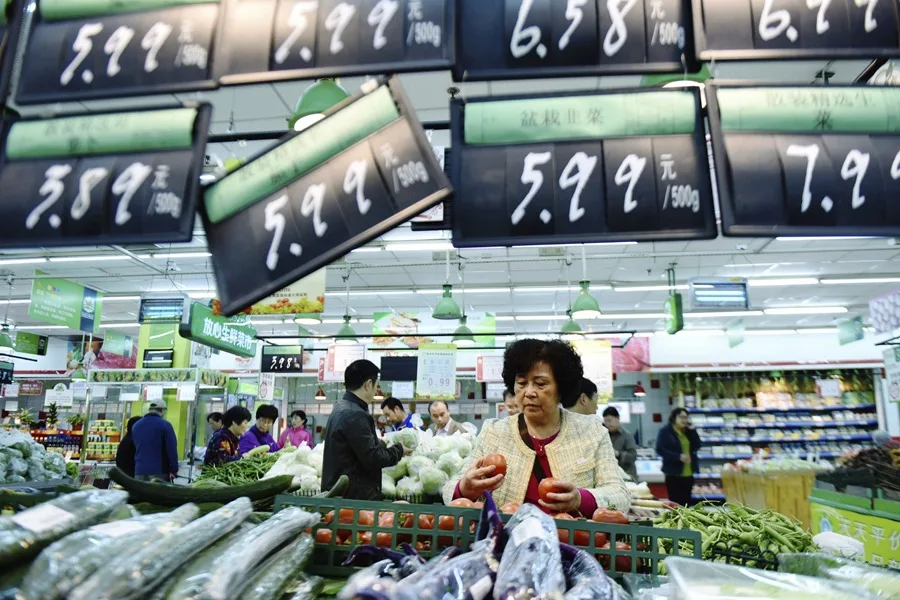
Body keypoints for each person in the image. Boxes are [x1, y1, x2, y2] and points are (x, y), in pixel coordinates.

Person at [445, 339, 630, 514]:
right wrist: (465, 488)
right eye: (522, 383)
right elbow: (449, 490)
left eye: (541, 384)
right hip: (507, 542)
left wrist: (581, 499)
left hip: (573, 542)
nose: (529, 392)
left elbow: (620, 495)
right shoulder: (495, 432)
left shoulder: (592, 431)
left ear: (561, 388)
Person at [322, 359, 410, 500]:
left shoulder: (342, 407)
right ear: (368, 384)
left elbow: (357, 449)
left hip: (344, 495)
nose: (376, 390)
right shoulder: (355, 414)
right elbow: (373, 458)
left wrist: (380, 443)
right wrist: (399, 450)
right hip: (353, 500)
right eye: (376, 386)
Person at [656, 407, 702, 506]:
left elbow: (697, 445)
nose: (684, 420)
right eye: (682, 417)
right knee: (675, 504)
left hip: (688, 473)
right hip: (673, 473)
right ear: (674, 417)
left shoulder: (688, 431)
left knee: (686, 503)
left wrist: (693, 431)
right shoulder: (665, 431)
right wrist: (678, 457)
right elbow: (660, 449)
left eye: (686, 418)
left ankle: (686, 521)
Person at [132, 401, 179, 482]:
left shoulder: (136, 425)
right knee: (157, 494)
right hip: (159, 471)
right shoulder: (165, 425)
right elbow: (171, 448)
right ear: (162, 410)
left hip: (139, 471)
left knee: (140, 494)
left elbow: (135, 447)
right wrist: (174, 469)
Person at [602, 407, 638, 481]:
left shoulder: (627, 435)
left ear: (618, 418)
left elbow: (633, 456)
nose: (608, 424)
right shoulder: (603, 435)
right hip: (610, 477)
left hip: (627, 476)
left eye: (610, 420)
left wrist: (618, 454)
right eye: (606, 421)